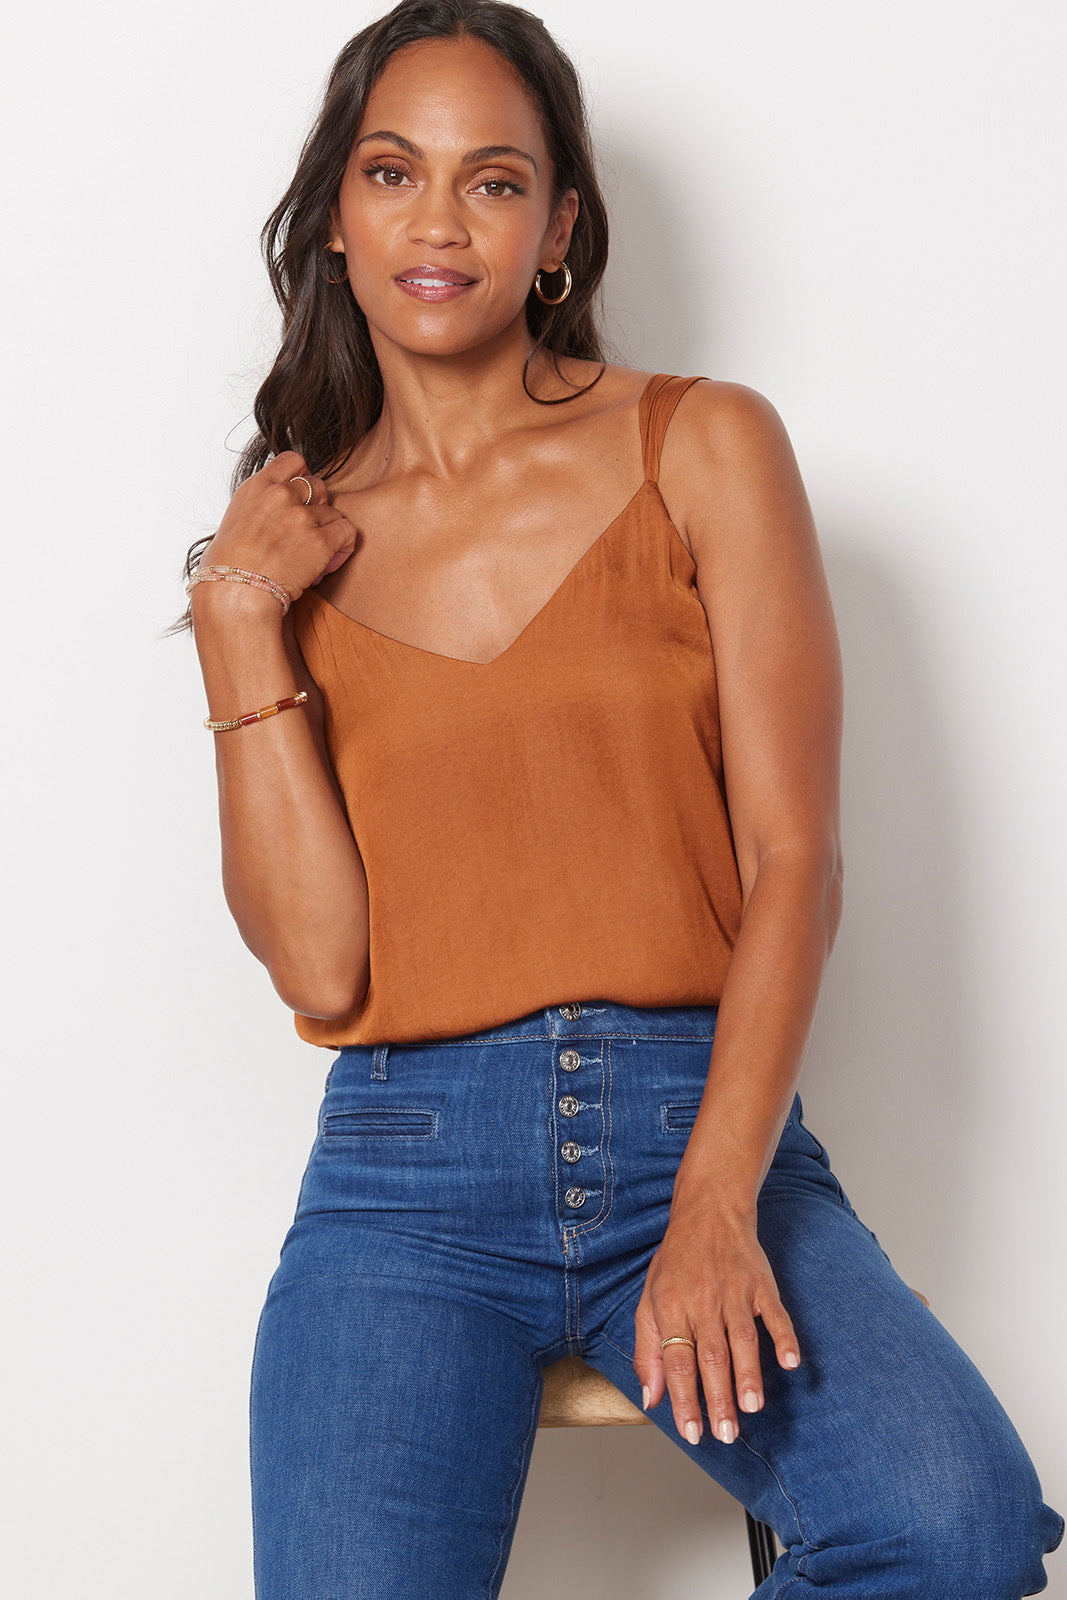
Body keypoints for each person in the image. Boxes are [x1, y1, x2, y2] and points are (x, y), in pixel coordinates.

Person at [179, 2, 1063, 1594]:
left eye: (494, 180)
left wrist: (718, 1198)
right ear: (335, 218)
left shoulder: (702, 445)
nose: (439, 222)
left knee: (954, 1526)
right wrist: (238, 620)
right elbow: (317, 963)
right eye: (392, 171)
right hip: (405, 1174)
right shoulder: (286, 548)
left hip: (692, 1126)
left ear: (560, 230)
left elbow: (795, 857)